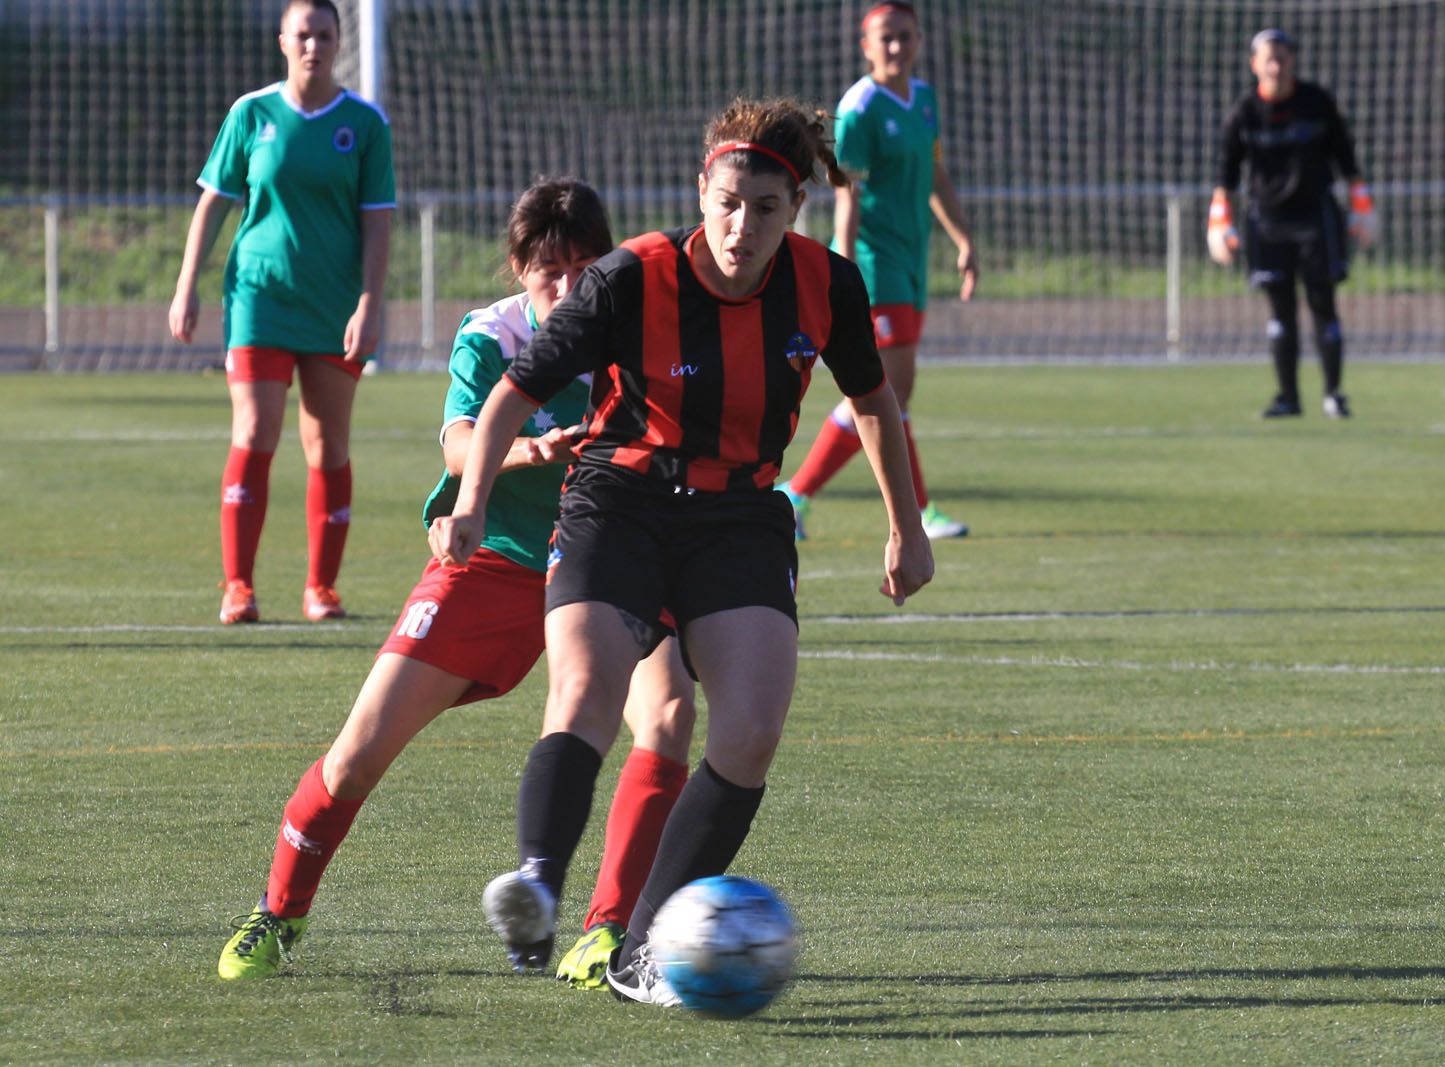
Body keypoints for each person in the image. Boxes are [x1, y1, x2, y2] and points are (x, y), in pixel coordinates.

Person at [433, 96, 934, 1008]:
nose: (743, 226)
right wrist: (470, 501)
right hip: (618, 498)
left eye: (767, 208)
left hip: (738, 514)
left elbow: (871, 401)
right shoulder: (630, 277)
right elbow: (512, 392)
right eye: (728, 200)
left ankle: (642, 949)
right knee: (584, 690)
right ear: (701, 189)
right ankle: (537, 889)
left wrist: (905, 525)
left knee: (749, 731)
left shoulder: (828, 284)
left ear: (796, 211)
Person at [215, 179, 697, 982]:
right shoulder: (492, 335)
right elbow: (458, 440)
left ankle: (604, 932)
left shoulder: (637, 330)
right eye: (550, 270)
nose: (571, 286)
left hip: (616, 555)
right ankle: (278, 911)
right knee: (356, 756)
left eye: (585, 266)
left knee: (670, 714)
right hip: (497, 555)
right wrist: (522, 453)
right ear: (518, 269)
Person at [168, 0, 394, 624]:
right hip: (259, 298)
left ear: (338, 41)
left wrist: (370, 304)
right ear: (283, 42)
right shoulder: (252, 113)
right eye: (304, 34)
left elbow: (378, 225)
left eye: (325, 34)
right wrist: (187, 282)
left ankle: (321, 588)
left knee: (327, 445)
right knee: (254, 431)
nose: (314, 45)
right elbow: (213, 204)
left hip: (333, 305)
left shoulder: (365, 124)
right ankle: (237, 586)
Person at [777, 0, 977, 542]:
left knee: (889, 392)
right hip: (874, 262)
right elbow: (847, 194)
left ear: (918, 40)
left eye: (904, 36)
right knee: (888, 388)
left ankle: (814, 498)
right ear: (865, 47)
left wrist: (963, 240)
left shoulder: (924, 100)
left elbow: (936, 174)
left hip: (912, 263)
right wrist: (842, 268)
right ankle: (800, 496)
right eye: (885, 37)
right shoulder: (859, 108)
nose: (896, 46)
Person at [1209, 27, 1377, 420]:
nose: (1276, 65)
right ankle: (1288, 397)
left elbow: (1347, 160)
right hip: (1267, 221)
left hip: (1315, 218)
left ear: (1293, 62)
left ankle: (1333, 394)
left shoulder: (1316, 104)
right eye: (1269, 57)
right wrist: (1219, 222)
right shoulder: (1244, 114)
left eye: (1283, 57)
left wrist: (1362, 207)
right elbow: (1226, 175)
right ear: (1254, 65)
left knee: (1323, 304)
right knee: (1280, 310)